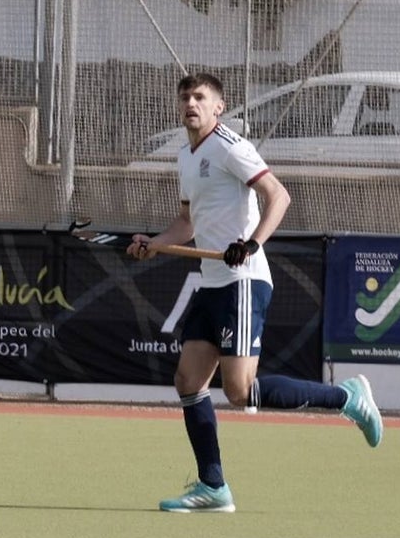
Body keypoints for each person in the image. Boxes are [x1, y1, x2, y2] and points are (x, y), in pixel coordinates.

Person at [127, 72, 383, 514]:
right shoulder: (186, 157)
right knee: (188, 381)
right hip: (211, 282)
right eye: (185, 97)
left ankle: (347, 398)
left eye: (200, 97)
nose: (191, 103)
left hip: (243, 282)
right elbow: (187, 224)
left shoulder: (230, 145)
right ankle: (213, 487)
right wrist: (153, 242)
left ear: (218, 107)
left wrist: (250, 244)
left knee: (240, 391)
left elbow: (277, 196)